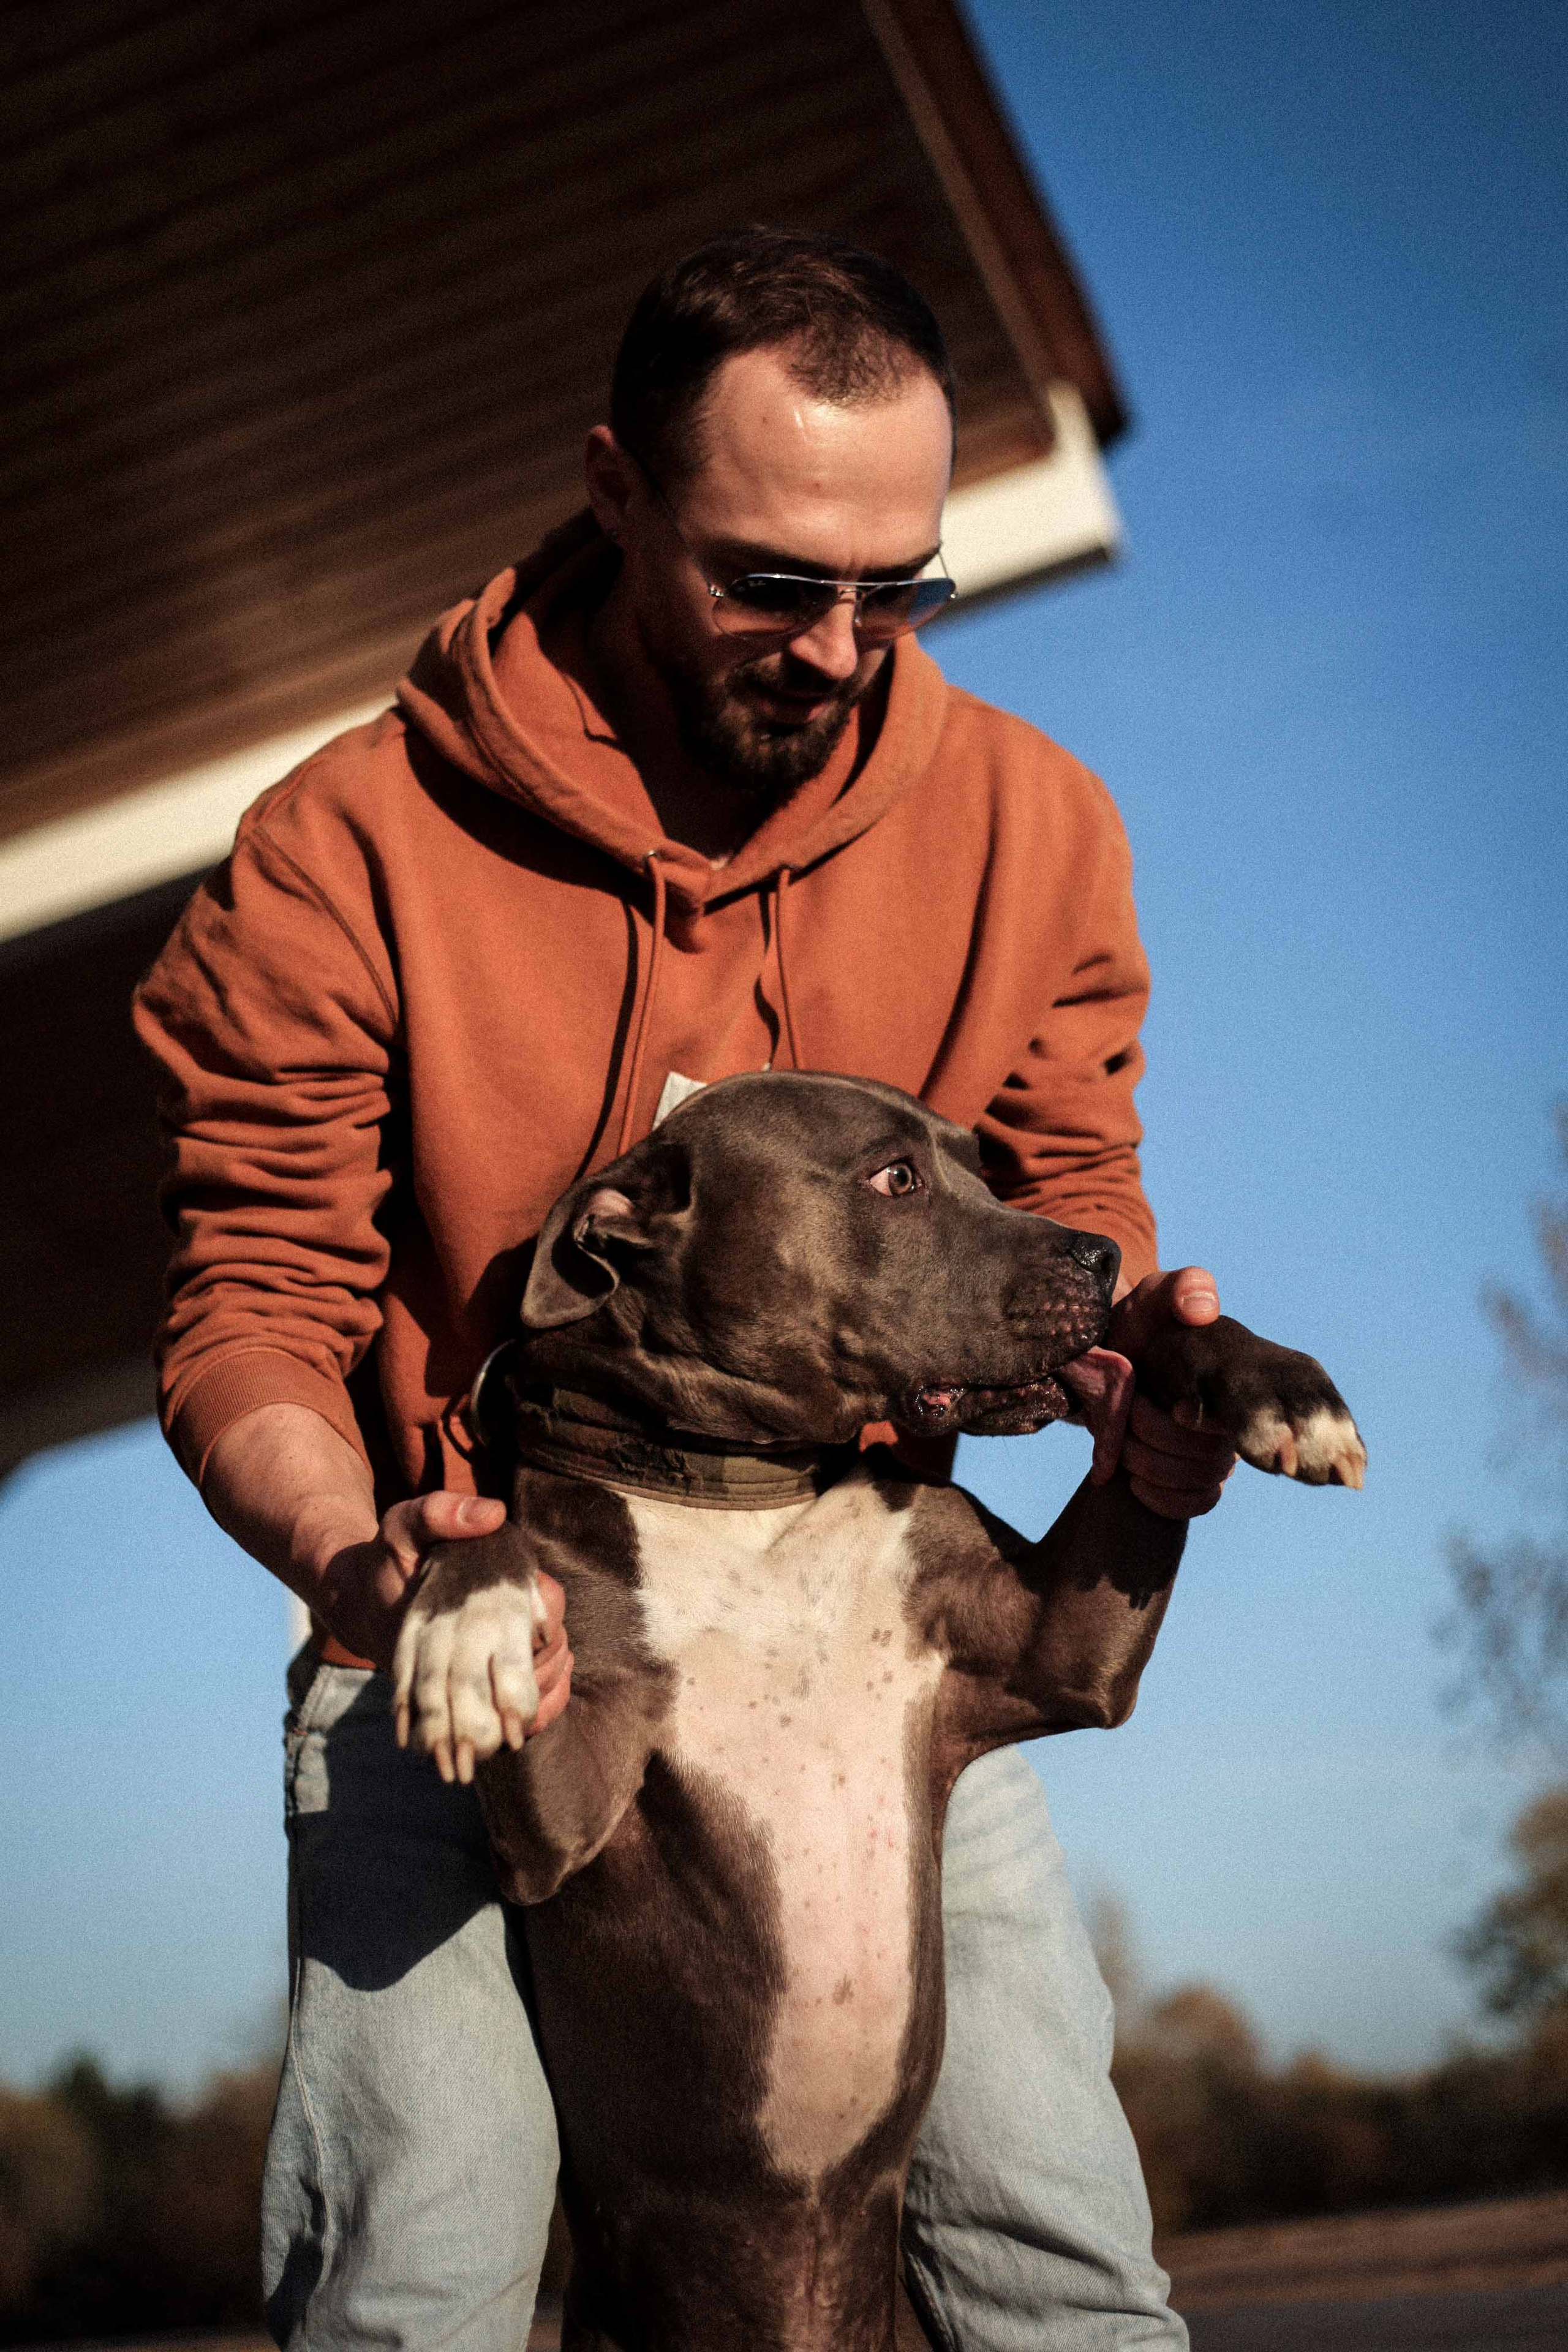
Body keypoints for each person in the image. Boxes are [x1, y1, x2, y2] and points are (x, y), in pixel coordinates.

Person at [135, 229, 1237, 2352]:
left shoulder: (1031, 825)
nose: (844, 650)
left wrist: (1158, 1384)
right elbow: (254, 1305)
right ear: (616, 489)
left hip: (857, 1617)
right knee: (419, 2268)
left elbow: (1075, 1211)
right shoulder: (338, 851)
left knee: (1060, 2257)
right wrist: (363, 1565)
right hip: (464, 1617)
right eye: (773, 580)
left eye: (898, 589)